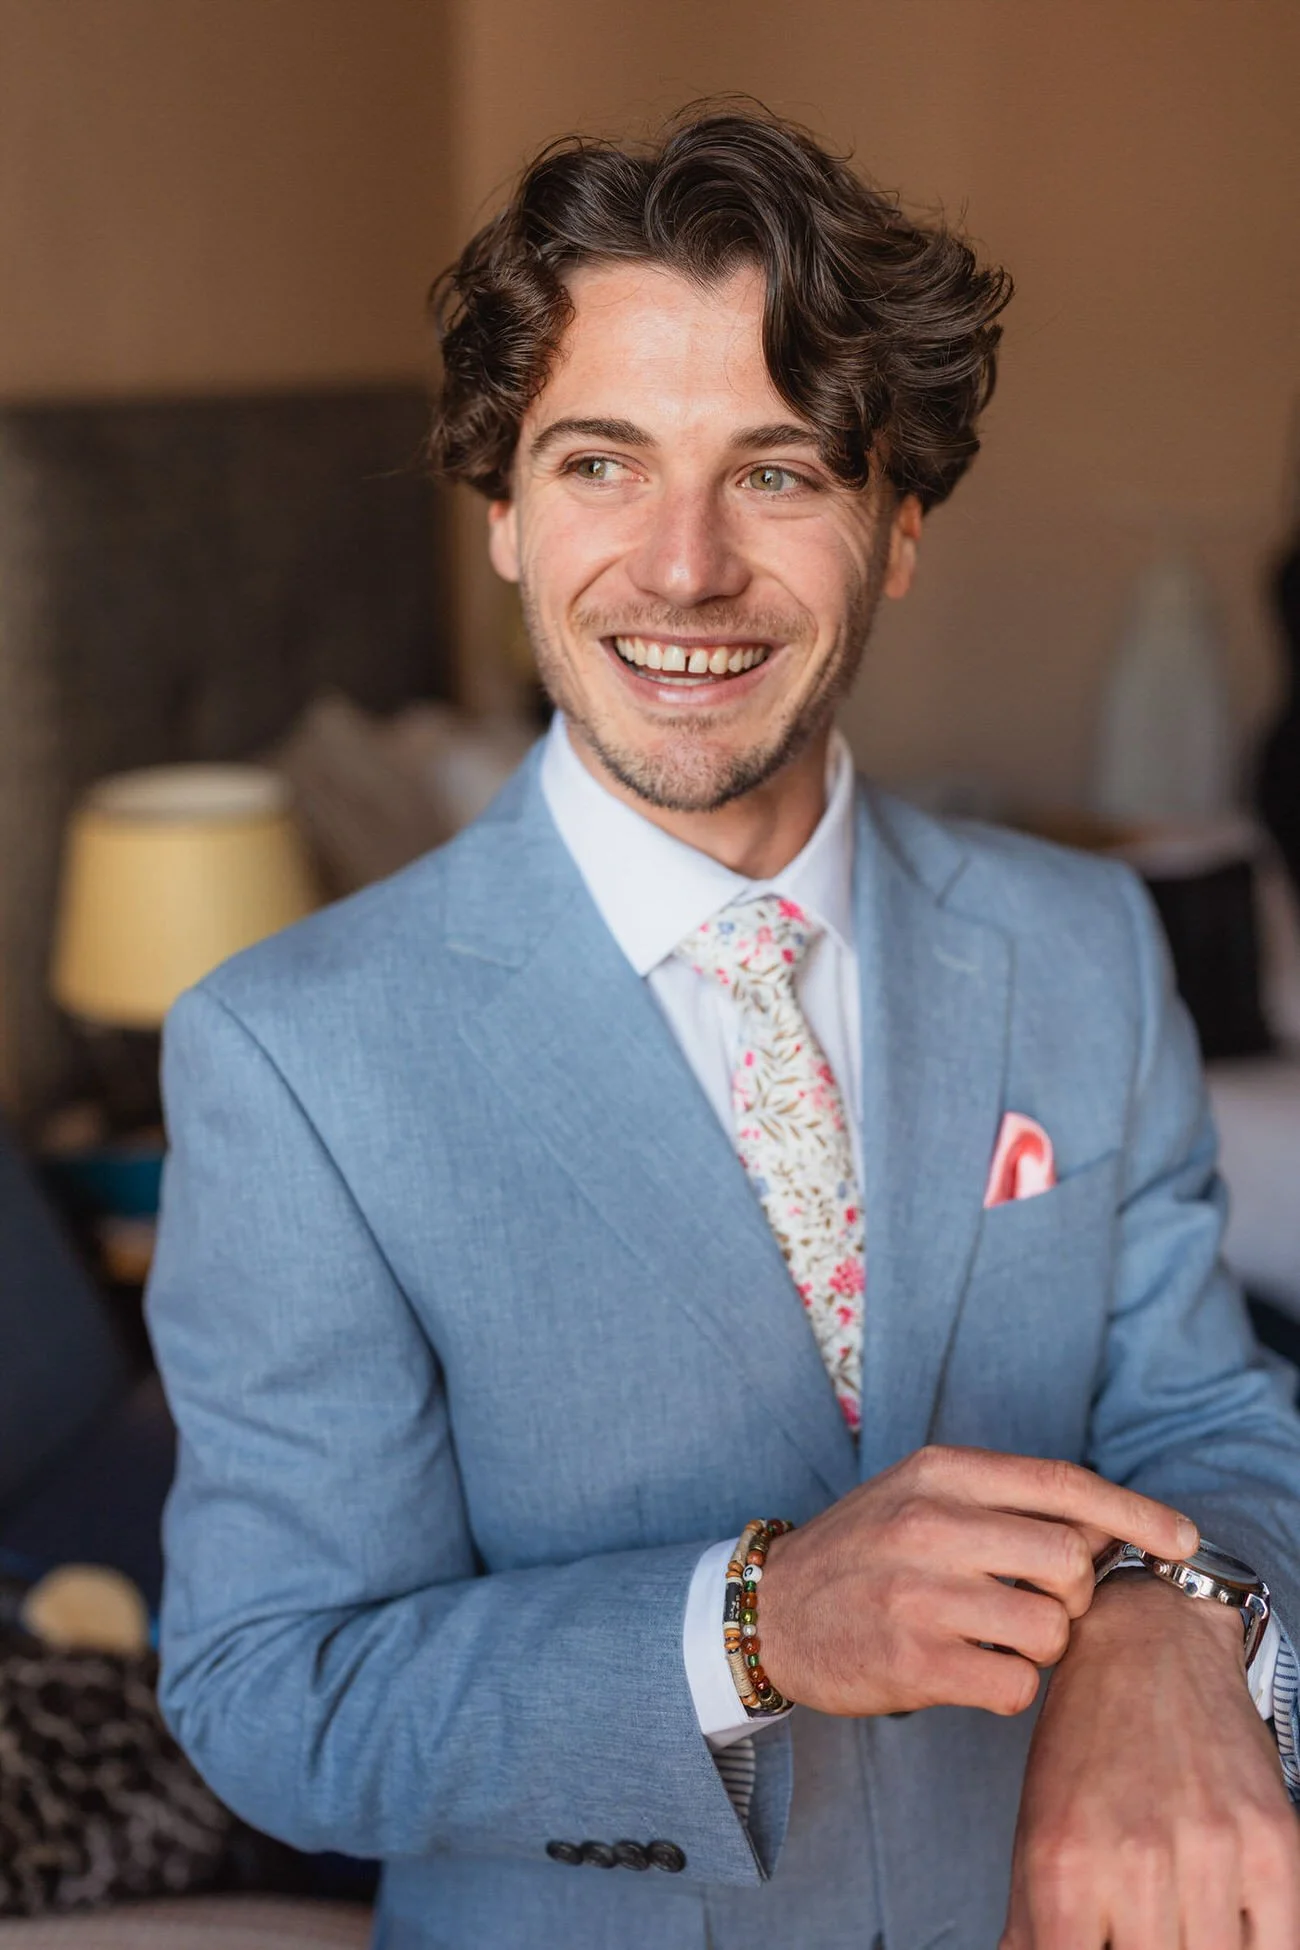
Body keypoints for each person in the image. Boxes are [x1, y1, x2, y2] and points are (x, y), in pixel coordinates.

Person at [146, 106, 1300, 1950]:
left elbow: (1208, 1415)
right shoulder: (290, 1055)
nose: (683, 569)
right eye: (604, 463)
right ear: (506, 512)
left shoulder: (1082, 942)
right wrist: (750, 1624)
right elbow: (278, 1693)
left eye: (778, 471)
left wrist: (1189, 1616)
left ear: (899, 523)